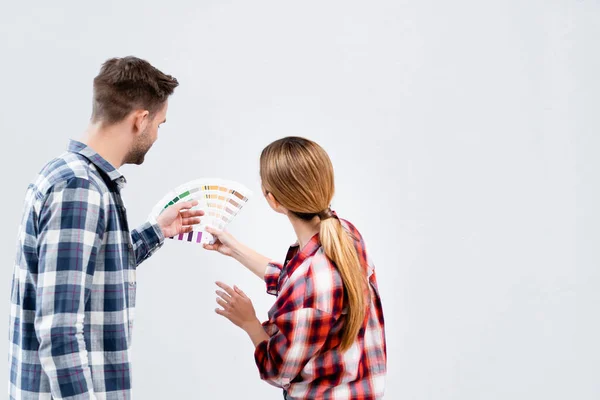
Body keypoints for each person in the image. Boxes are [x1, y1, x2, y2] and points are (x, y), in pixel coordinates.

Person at [8, 56, 203, 399]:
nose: (157, 134)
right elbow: (59, 331)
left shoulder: (72, 176)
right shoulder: (78, 188)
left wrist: (156, 231)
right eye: (160, 123)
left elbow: (92, 267)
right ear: (140, 120)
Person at [204, 136, 387, 399]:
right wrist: (234, 249)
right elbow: (300, 283)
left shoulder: (309, 282)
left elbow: (278, 371)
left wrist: (250, 323)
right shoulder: (347, 234)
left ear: (273, 200)